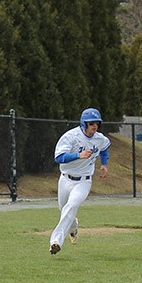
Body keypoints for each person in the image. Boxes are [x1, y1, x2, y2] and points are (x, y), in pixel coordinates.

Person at [49, 108, 110, 255]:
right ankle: (73, 227)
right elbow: (59, 157)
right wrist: (78, 155)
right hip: (65, 179)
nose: (94, 126)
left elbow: (105, 148)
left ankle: (56, 241)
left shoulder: (99, 138)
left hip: (84, 181)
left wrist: (104, 163)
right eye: (91, 123)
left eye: (97, 123)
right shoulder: (71, 137)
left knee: (72, 205)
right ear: (83, 123)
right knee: (64, 210)